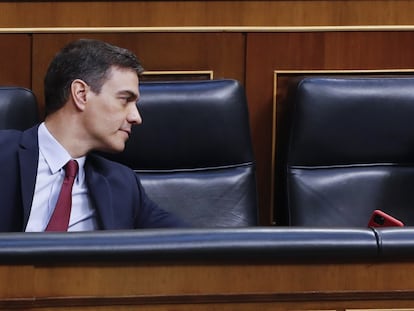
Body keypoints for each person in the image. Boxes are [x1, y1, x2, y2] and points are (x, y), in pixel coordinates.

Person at [0, 38, 186, 232]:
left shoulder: (122, 183)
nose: (136, 117)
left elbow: (194, 243)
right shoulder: (4, 152)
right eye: (125, 100)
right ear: (81, 94)